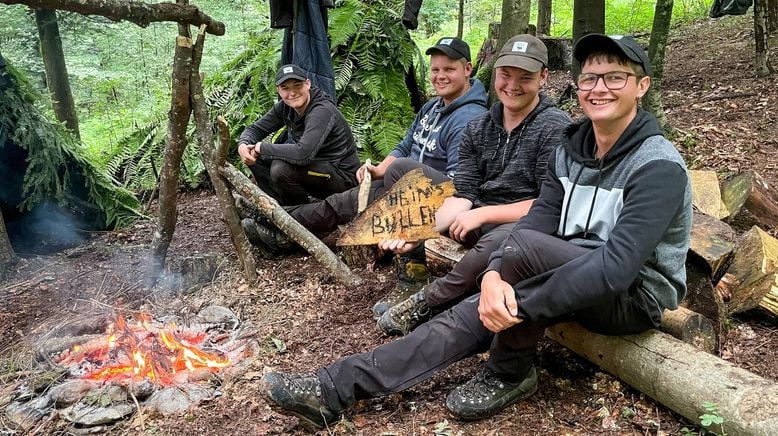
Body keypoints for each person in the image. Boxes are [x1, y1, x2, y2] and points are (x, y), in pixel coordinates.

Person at [258, 33, 693, 428]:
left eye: (615, 78)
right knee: (476, 299)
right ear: (577, 85)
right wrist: (492, 278)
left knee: (507, 269)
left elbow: (616, 269)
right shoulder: (573, 148)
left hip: (632, 294)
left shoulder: (656, 165)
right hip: (565, 267)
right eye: (591, 78)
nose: (600, 89)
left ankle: (508, 370)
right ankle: (332, 387)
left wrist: (516, 302)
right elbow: (542, 217)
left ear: (642, 85)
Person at [374, 35, 572, 335]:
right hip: (472, 216)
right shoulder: (479, 127)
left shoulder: (555, 127)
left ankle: (428, 301)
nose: (513, 85)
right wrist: (422, 229)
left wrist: (483, 214)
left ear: (543, 77)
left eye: (525, 77)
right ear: (494, 74)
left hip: (523, 226)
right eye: (506, 75)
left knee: (500, 243)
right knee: (405, 171)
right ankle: (413, 275)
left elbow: (549, 203)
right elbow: (463, 193)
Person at [244, 37, 488, 267]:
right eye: (435, 70)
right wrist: (380, 169)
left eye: (449, 70)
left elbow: (459, 184)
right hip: (399, 182)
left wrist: (399, 176)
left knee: (338, 207)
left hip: (425, 197)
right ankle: (275, 218)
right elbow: (404, 146)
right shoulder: (431, 107)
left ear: (467, 69)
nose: (440, 76)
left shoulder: (469, 118)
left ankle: (275, 226)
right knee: (340, 203)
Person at [236, 64, 360, 207]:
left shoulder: (321, 110)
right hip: (315, 170)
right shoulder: (285, 107)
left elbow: (303, 153)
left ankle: (299, 214)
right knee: (255, 157)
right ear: (279, 91)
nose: (292, 93)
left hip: (342, 179)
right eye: (285, 88)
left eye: (297, 85)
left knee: (280, 169)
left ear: (308, 84)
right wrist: (243, 145)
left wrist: (261, 147)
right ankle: (278, 208)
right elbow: (255, 129)